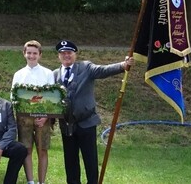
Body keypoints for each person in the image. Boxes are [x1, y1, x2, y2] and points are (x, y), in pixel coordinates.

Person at [53, 40, 133, 184]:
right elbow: (49, 100)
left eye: (69, 53)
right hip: (66, 125)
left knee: (90, 160)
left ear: (75, 54)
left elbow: (104, 70)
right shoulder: (53, 75)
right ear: (59, 56)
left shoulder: (86, 67)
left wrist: (122, 65)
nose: (66, 56)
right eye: (63, 53)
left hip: (86, 123)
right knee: (70, 161)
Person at [12, 40, 56, 184]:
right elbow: (15, 97)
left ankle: (41, 181)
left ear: (40, 55)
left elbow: (52, 97)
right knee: (27, 149)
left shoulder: (48, 73)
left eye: (35, 53)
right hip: (24, 118)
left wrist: (44, 116)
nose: (32, 56)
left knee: (42, 149)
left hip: (43, 117)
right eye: (29, 53)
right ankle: (31, 181)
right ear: (24, 54)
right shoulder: (18, 74)